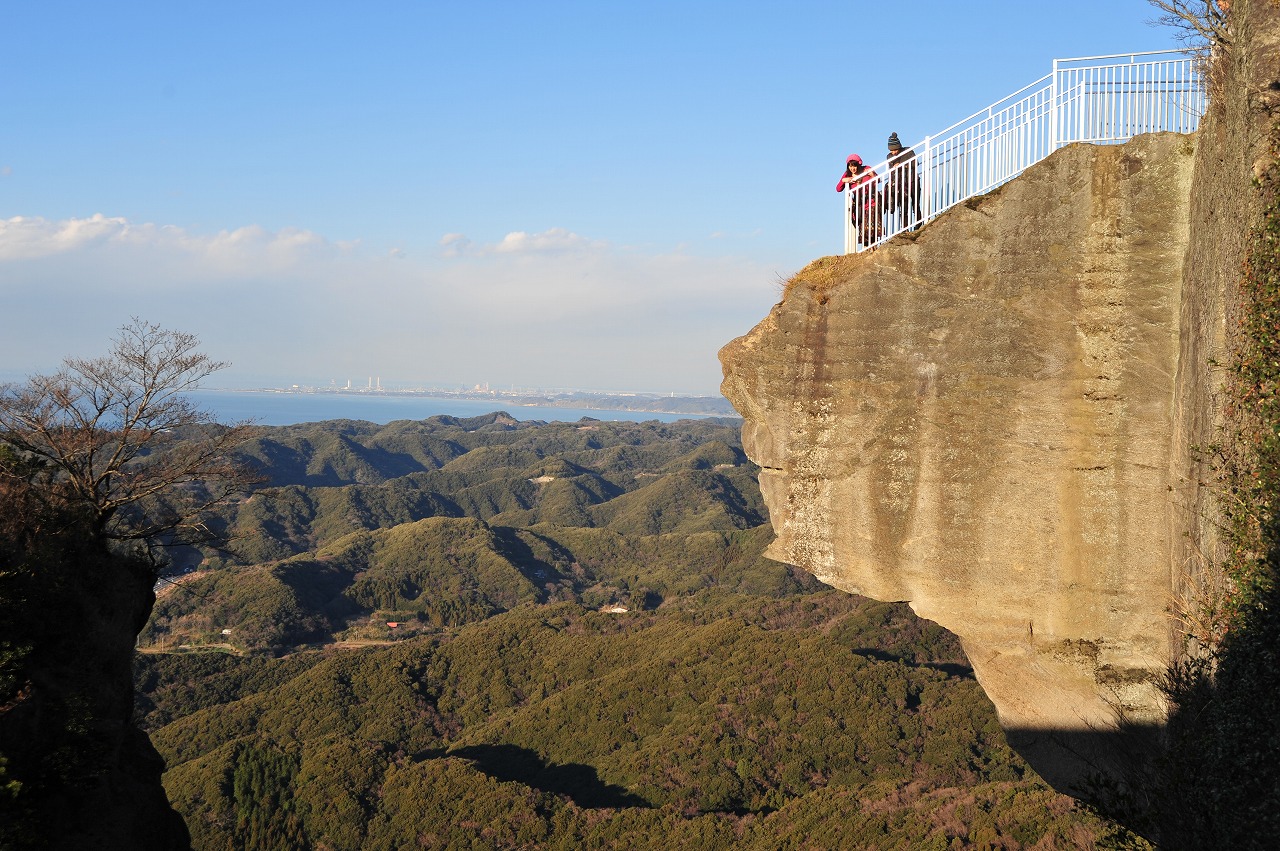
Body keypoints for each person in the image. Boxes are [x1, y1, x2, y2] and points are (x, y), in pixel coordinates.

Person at [836, 153, 881, 247]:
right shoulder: (847, 174)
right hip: (859, 205)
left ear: (858, 164)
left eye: (855, 166)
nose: (853, 168)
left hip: (871, 201)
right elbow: (838, 188)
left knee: (871, 226)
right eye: (850, 166)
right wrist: (845, 180)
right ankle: (867, 248)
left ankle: (874, 247)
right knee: (863, 227)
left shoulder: (866, 169)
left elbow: (878, 180)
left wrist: (872, 174)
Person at [884, 132, 921, 232]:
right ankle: (905, 229)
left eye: (895, 150)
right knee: (903, 207)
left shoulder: (907, 151)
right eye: (892, 150)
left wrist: (902, 165)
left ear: (899, 147)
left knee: (915, 204)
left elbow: (915, 163)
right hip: (900, 184)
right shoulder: (889, 156)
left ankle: (919, 224)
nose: (894, 152)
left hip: (912, 180)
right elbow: (891, 171)